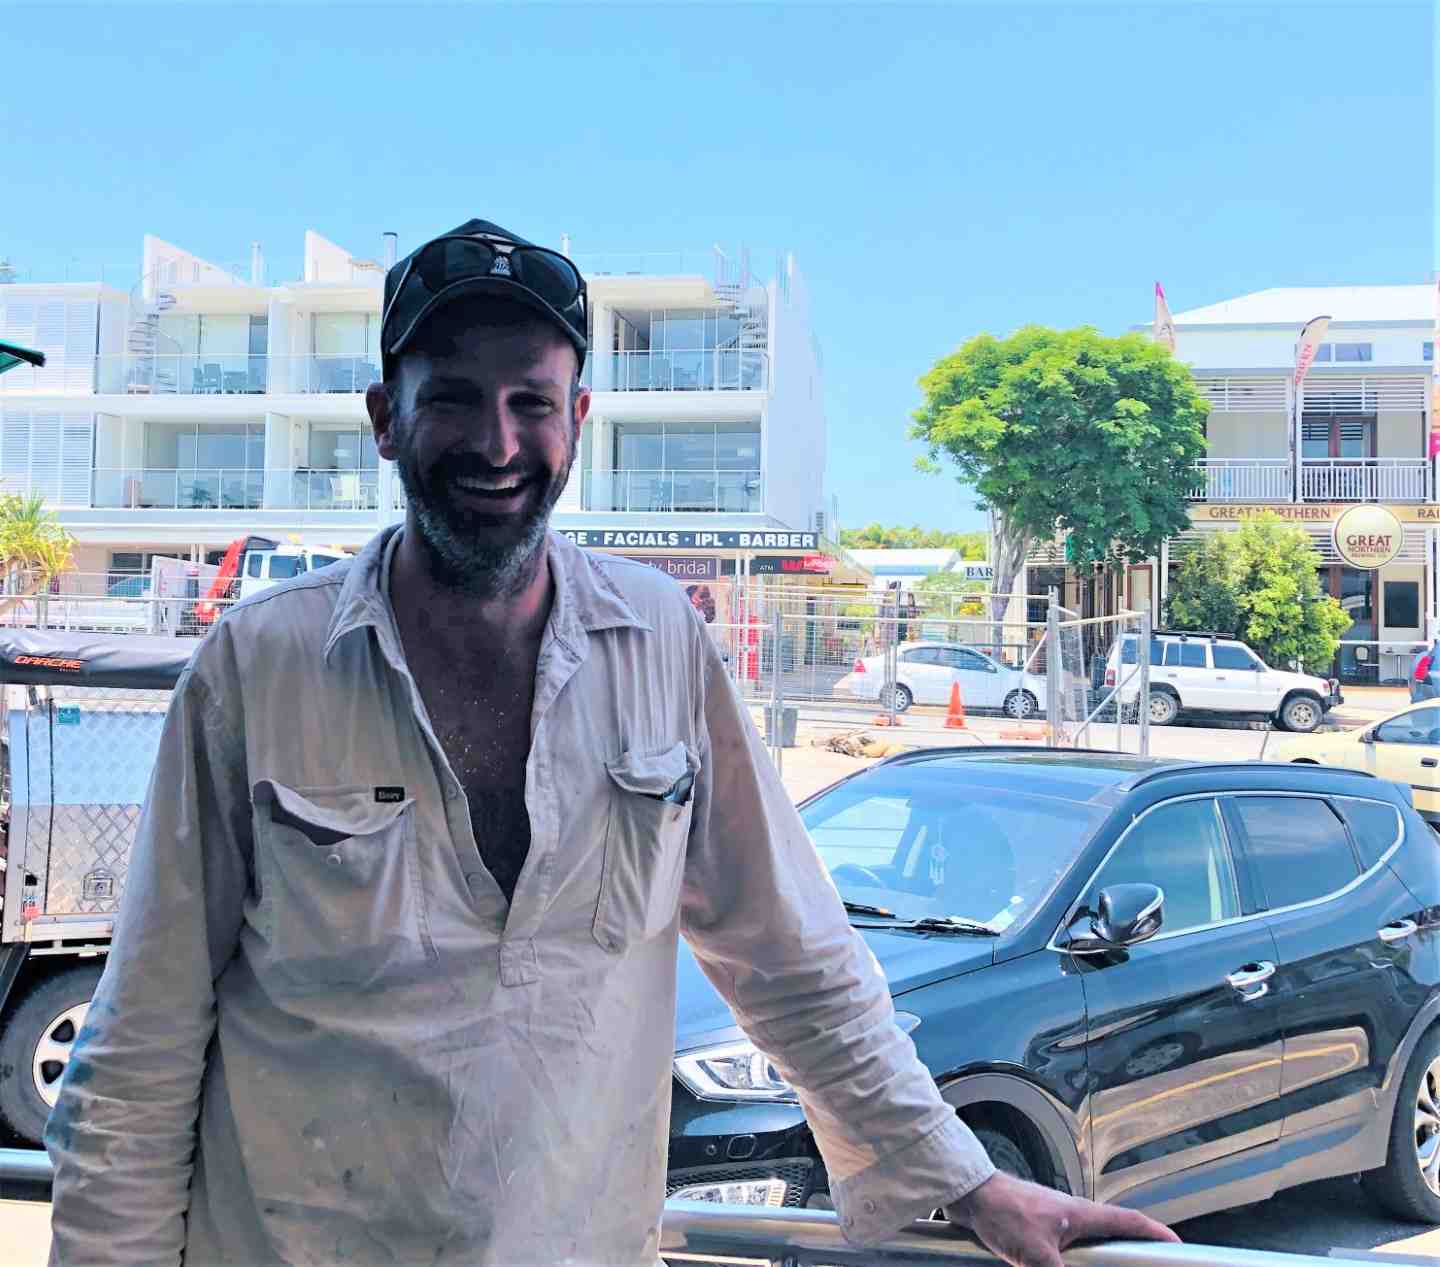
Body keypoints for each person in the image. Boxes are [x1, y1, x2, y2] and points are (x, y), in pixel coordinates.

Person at [45, 219, 1177, 1267]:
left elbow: (793, 958)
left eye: (531, 403)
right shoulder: (257, 668)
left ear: (578, 420)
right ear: (385, 418)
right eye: (453, 398)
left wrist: (968, 1181)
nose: (497, 442)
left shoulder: (661, 645)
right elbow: (141, 1046)